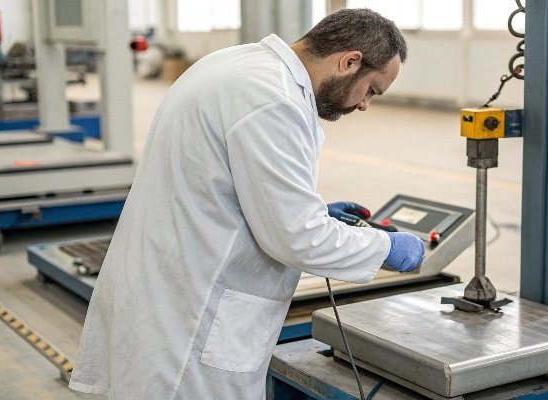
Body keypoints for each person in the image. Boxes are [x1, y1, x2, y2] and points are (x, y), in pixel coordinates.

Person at [69, 8, 424, 399]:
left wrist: (313, 211)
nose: (364, 105)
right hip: (193, 316)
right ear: (350, 61)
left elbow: (227, 183)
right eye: (371, 89)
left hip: (166, 288)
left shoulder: (236, 64)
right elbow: (298, 238)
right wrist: (386, 247)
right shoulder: (274, 100)